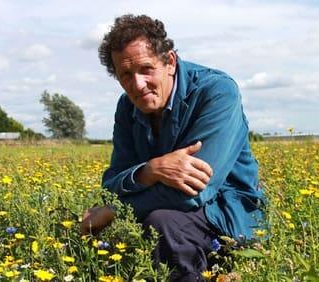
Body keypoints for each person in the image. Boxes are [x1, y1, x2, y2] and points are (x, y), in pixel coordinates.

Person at [81, 14, 267, 281]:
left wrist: (112, 212)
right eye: (125, 75)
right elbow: (111, 183)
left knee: (161, 221)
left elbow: (193, 194)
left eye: (146, 69)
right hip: (172, 214)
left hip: (227, 213)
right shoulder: (127, 106)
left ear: (169, 61)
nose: (138, 84)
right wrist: (149, 171)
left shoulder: (216, 91)